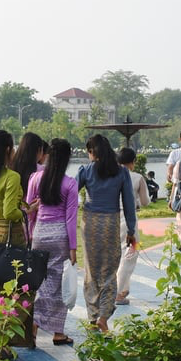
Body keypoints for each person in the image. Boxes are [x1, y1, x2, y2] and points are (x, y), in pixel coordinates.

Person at [0, 130, 37, 350]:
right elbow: (10, 210)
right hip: (11, 235)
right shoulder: (11, 177)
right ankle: (3, 332)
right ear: (8, 150)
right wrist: (24, 213)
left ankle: (0, 342)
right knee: (23, 289)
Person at [77, 134, 136, 333]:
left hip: (90, 223)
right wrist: (131, 230)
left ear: (93, 152)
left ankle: (93, 317)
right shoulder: (121, 172)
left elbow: (69, 192)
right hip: (111, 224)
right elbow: (129, 204)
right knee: (110, 271)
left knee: (91, 272)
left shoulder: (86, 171)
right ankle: (104, 315)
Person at [27, 139, 79, 344]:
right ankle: (55, 331)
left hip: (39, 233)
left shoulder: (35, 178)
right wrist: (73, 247)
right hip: (60, 236)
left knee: (41, 282)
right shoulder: (70, 183)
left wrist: (31, 233)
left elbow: (28, 209)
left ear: (48, 155)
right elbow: (71, 218)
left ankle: (36, 327)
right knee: (58, 285)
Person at [113, 147, 149, 303]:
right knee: (130, 255)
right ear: (133, 162)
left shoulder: (111, 175)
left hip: (111, 218)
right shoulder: (137, 177)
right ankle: (118, 292)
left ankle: (123, 289)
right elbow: (145, 201)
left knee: (116, 256)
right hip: (129, 221)